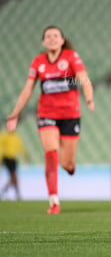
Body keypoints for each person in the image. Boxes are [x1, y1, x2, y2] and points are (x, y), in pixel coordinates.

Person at [6, 26, 94, 214]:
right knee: (51, 154)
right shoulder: (38, 62)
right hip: (47, 114)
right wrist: (15, 113)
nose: (52, 39)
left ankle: (69, 166)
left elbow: (83, 78)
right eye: (48, 36)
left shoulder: (71, 57)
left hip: (70, 114)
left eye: (56, 36)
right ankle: (54, 201)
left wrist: (89, 97)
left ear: (62, 40)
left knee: (66, 164)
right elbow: (28, 89)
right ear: (44, 42)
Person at [0, 129, 28, 200]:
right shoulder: (4, 136)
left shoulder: (16, 137)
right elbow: (1, 147)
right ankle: (17, 193)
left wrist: (25, 156)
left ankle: (5, 191)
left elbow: (20, 147)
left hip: (13, 159)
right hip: (6, 158)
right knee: (14, 176)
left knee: (13, 177)